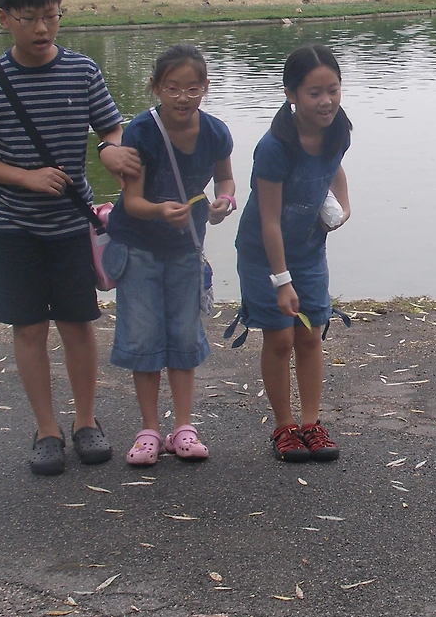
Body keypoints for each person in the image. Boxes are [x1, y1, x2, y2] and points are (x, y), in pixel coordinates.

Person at [0, 0, 141, 476]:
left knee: (78, 324)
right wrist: (25, 177)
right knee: (30, 327)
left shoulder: (82, 71)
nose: (41, 29)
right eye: (28, 19)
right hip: (14, 226)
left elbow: (112, 131)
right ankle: (46, 429)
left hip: (72, 225)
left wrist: (109, 152)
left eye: (51, 17)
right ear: (4, 19)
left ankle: (86, 421)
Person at [102, 44, 236, 466]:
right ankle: (148, 430)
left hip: (185, 249)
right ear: (156, 87)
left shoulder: (215, 132)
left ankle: (183, 427)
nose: (183, 97)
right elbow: (132, 201)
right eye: (173, 88)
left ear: (205, 87)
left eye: (192, 88)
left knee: (183, 335)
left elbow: (226, 179)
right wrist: (161, 210)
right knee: (143, 337)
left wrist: (225, 202)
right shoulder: (141, 132)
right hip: (138, 247)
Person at [234, 44, 352, 463]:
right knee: (280, 337)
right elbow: (268, 220)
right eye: (314, 93)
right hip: (263, 254)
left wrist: (344, 205)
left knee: (310, 334)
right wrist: (281, 281)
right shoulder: (274, 147)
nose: (326, 101)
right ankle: (284, 426)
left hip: (308, 249)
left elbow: (335, 166)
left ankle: (311, 423)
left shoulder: (338, 131)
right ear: (291, 95)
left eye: (333, 90)